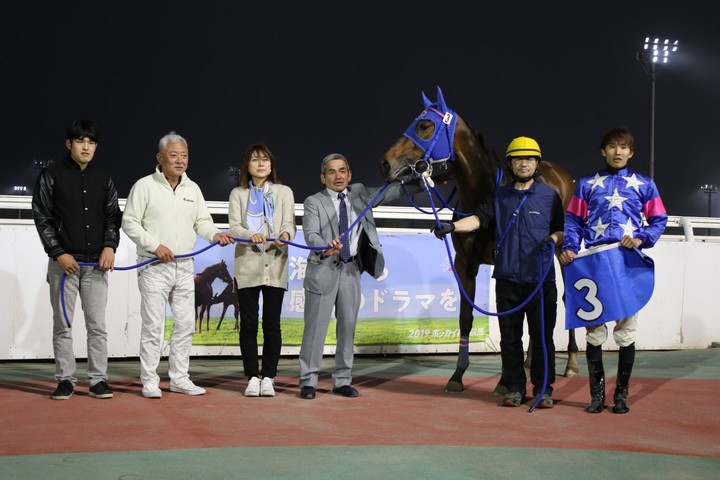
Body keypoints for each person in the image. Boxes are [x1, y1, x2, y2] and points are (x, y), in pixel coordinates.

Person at [432, 136, 564, 408]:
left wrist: (553, 239)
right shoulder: (499, 196)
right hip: (507, 279)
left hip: (541, 280)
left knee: (542, 339)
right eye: (518, 159)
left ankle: (544, 389)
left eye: (529, 159)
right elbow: (478, 219)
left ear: (537, 163)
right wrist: (452, 227)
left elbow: (561, 229)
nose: (524, 163)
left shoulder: (550, 196)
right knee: (510, 340)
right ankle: (515, 388)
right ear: (510, 163)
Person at [559, 127, 667, 414]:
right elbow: (573, 221)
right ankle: (596, 396)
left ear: (631, 152)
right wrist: (570, 246)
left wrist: (642, 238)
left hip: (627, 262)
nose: (617, 152)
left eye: (623, 147)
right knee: (594, 332)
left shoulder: (645, 184)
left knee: (626, 332)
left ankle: (621, 396)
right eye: (612, 146)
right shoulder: (586, 184)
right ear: (603, 151)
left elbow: (659, 219)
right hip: (594, 263)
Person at [122, 131, 234, 399]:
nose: (180, 160)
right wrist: (155, 246)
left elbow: (202, 222)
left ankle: (179, 378)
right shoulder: (144, 186)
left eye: (184, 155)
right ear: (159, 158)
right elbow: (130, 222)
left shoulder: (192, 189)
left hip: (185, 268)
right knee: (153, 326)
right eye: (174, 155)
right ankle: (150, 380)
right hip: (153, 267)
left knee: (185, 324)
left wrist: (215, 234)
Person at [298, 153, 406, 400]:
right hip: (323, 269)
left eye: (342, 171)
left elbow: (390, 192)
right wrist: (325, 246)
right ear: (323, 177)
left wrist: (421, 182)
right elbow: (311, 234)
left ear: (349, 174)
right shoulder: (313, 201)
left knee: (347, 328)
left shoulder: (359, 193)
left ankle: (342, 380)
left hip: (351, 270)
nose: (338, 176)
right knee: (315, 330)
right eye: (332, 172)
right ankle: (308, 381)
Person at [31, 119, 121, 400]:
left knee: (97, 326)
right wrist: (58, 252)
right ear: (68, 143)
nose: (86, 147)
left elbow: (112, 217)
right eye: (80, 141)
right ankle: (65, 380)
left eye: (91, 142)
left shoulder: (104, 178)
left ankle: (98, 380)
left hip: (96, 265)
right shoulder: (51, 175)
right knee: (63, 325)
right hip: (64, 266)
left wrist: (110, 247)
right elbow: (42, 217)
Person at [228, 144, 296, 397]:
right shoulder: (238, 193)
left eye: (265, 159)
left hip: (276, 263)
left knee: (272, 324)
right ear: (247, 165)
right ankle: (252, 377)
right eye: (255, 160)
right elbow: (234, 227)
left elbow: (289, 223)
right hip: (248, 264)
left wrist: (285, 235)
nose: (260, 164)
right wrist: (250, 234)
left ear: (271, 164)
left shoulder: (284, 192)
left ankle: (268, 376)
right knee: (248, 324)